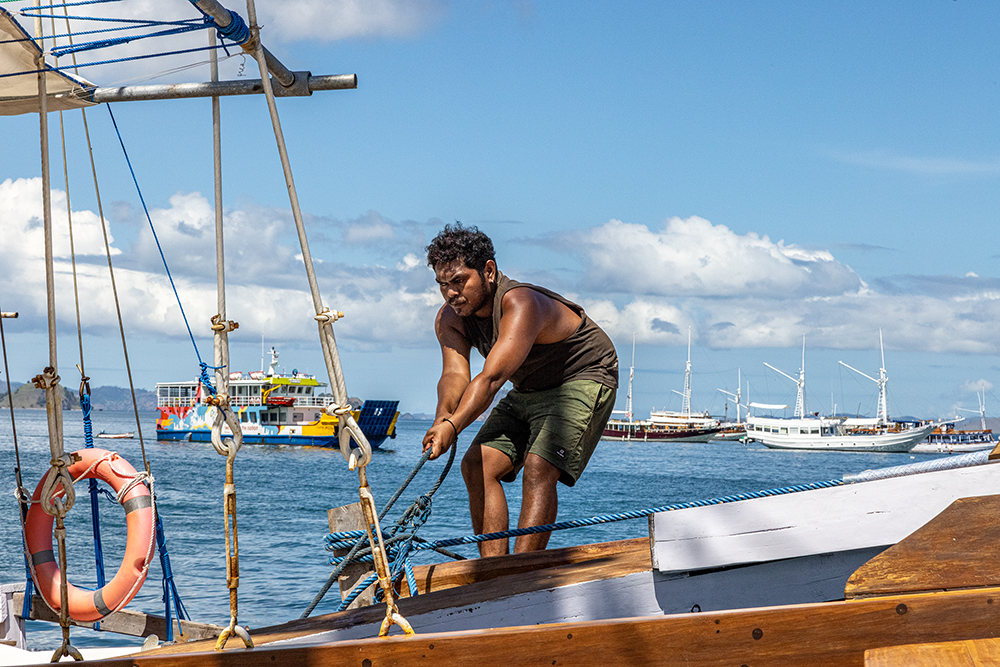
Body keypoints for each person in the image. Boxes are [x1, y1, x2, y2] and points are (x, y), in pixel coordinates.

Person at [422, 223, 618, 557]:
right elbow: (455, 374)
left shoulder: (520, 303)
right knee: (476, 465)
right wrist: (443, 417)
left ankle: (523, 571)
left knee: (539, 466)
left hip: (583, 375)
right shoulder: (450, 318)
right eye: (443, 285)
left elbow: (492, 379)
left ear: (488, 271)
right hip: (529, 385)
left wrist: (454, 427)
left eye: (459, 281)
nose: (452, 293)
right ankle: (493, 571)